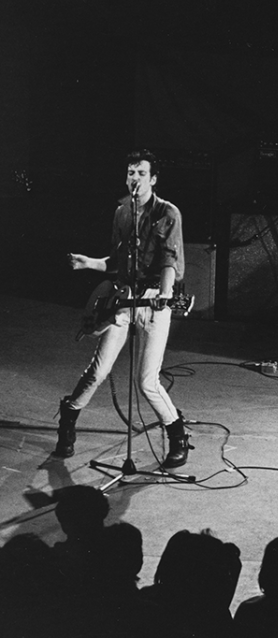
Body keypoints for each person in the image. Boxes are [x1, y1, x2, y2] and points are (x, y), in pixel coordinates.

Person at [54, 149, 191, 468]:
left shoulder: (169, 213)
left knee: (147, 381)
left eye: (141, 173)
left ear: (153, 179)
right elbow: (116, 262)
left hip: (155, 299)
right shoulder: (121, 213)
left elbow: (170, 259)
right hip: (124, 298)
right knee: (97, 371)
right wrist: (89, 262)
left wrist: (165, 294)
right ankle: (68, 419)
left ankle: (178, 435)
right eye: (131, 173)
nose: (135, 179)